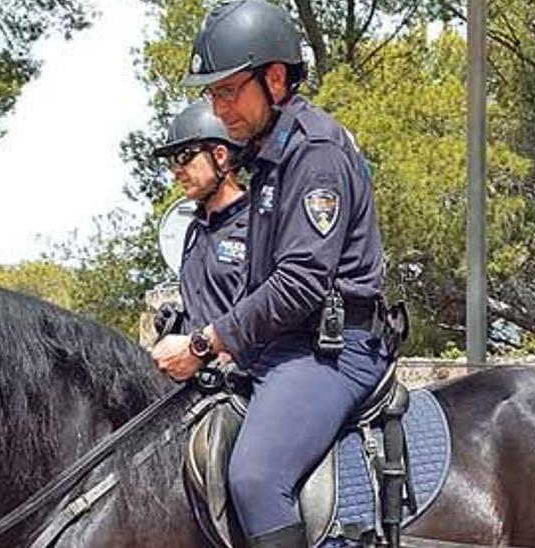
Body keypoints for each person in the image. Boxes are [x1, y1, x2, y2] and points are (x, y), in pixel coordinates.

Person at [150, 1, 388, 547]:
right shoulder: (269, 160)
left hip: (333, 349)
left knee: (256, 478)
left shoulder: (316, 151)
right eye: (213, 94)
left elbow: (301, 281)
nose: (220, 107)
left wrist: (207, 344)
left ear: (275, 78)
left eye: (229, 91)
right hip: (283, 348)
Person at [152, 100, 249, 337]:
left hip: (248, 370)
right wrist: (178, 321)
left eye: (185, 156)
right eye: (171, 162)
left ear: (220, 155)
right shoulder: (194, 231)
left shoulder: (259, 225)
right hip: (194, 367)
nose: (176, 170)